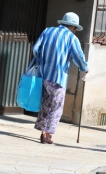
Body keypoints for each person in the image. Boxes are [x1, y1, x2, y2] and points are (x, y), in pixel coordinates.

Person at [32, 12, 89, 144]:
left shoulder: (47, 31)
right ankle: (48, 134)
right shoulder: (71, 38)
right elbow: (78, 57)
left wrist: (44, 59)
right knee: (56, 106)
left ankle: (42, 132)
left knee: (46, 103)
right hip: (58, 77)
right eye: (75, 29)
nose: (75, 31)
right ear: (73, 27)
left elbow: (35, 49)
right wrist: (84, 68)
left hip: (43, 75)